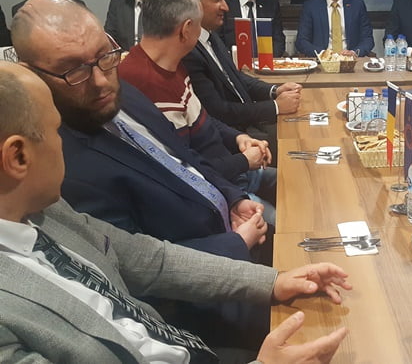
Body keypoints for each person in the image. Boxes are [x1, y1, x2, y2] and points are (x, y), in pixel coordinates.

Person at [0, 61, 351, 363]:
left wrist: (273, 281)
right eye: (55, 130)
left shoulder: (47, 213)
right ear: (18, 157)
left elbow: (150, 260)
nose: (65, 142)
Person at [118, 0, 278, 224]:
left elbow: (202, 118)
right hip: (216, 191)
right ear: (186, 30)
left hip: (232, 174)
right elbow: (185, 170)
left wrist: (239, 138)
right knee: (285, 225)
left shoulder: (173, 63)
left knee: (299, 182)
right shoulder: (140, 84)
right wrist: (242, 162)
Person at [181, 0, 302, 163]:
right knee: (297, 151)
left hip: (249, 122)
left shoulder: (211, 36)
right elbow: (220, 112)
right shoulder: (189, 53)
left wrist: (274, 90)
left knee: (302, 130)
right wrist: (275, 107)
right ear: (192, 3)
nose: (225, 7)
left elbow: (237, 78)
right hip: (234, 137)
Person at [296, 0, 374, 57]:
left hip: (351, 61)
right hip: (322, 61)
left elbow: (368, 39)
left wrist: (354, 53)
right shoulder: (311, 7)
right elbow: (301, 41)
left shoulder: (357, 5)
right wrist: (323, 54)